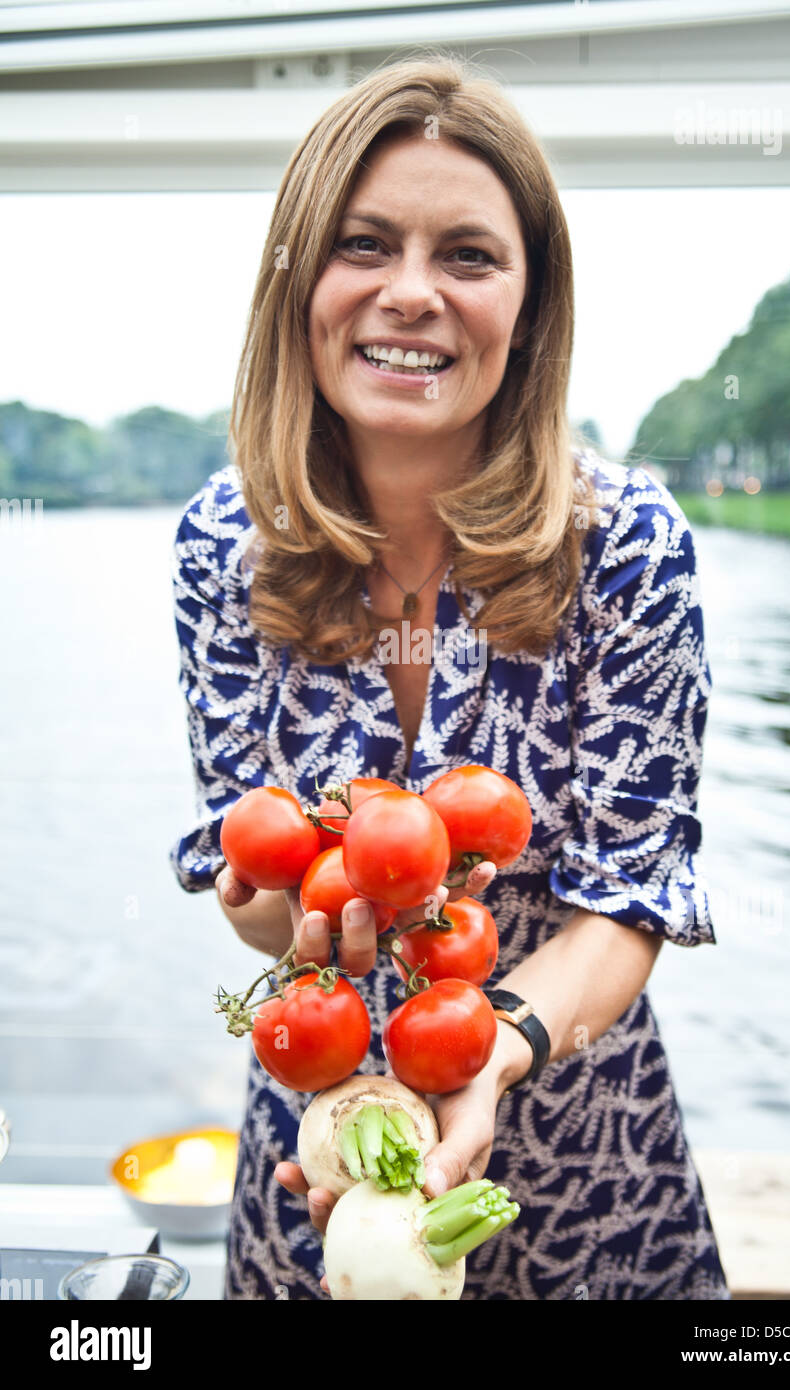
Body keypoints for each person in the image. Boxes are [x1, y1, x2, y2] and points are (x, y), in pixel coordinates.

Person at [169, 53, 729, 1301]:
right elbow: (249, 880)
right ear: (298, 281)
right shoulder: (222, 545)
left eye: (468, 256)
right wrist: (297, 930)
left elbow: (627, 896)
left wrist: (491, 1051)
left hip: (586, 1174)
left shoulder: (627, 547)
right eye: (364, 244)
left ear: (526, 308)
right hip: (321, 1162)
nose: (410, 293)